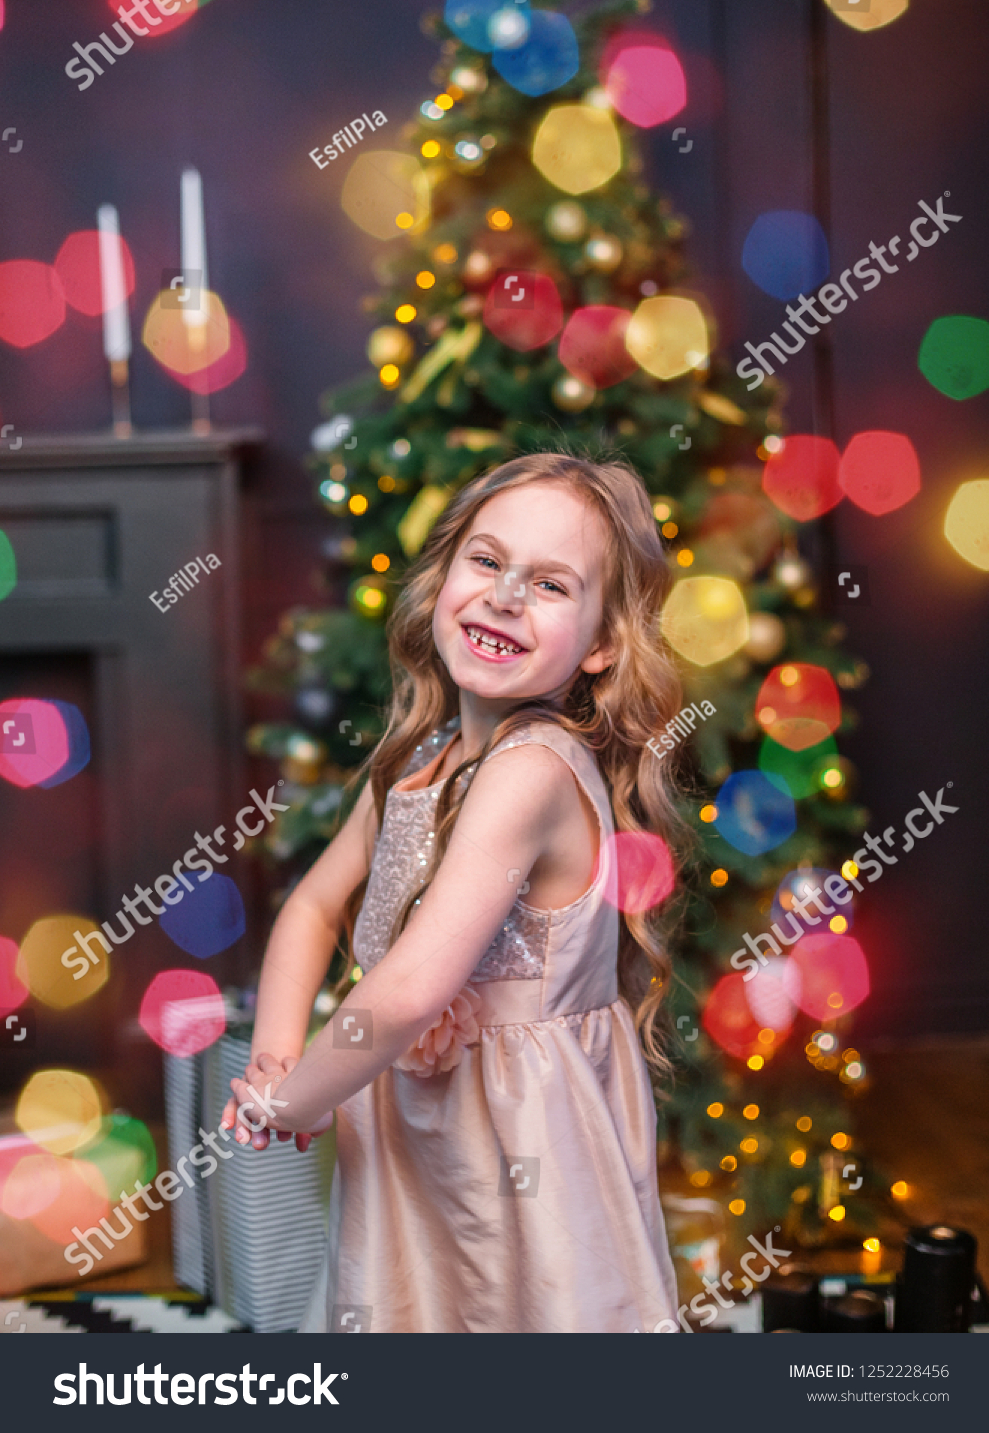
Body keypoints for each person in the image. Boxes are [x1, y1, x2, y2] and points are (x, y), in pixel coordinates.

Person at [222, 451, 689, 1332]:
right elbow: (315, 907)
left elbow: (406, 994)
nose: (506, 594)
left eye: (550, 584)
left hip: (522, 1141)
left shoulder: (532, 773)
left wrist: (295, 1104)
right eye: (486, 560)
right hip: (414, 1129)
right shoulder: (416, 760)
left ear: (600, 646)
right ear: (443, 579)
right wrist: (277, 1064)